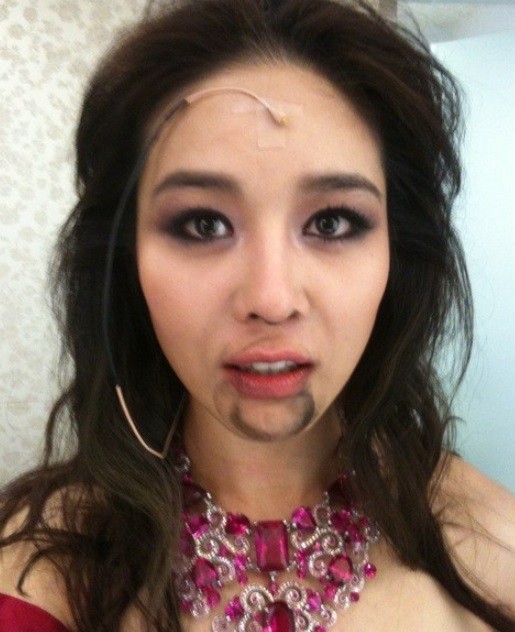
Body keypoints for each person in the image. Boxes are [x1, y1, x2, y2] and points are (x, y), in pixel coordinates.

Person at [0, 0, 514, 630]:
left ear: (397, 255)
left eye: (332, 222)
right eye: (203, 224)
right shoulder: (40, 575)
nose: (272, 300)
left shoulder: (491, 545)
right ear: (125, 259)